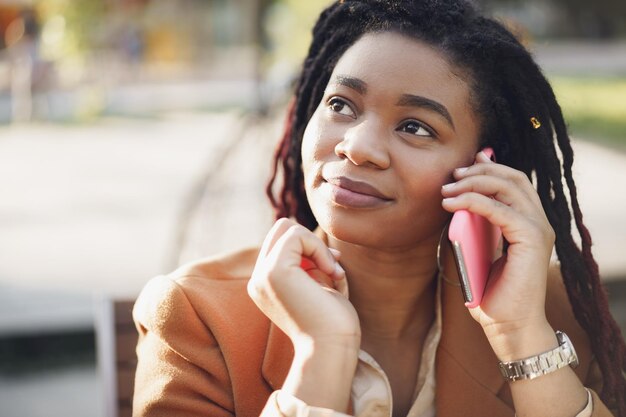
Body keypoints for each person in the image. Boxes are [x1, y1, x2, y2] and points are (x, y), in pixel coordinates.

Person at [131, 1, 626, 416]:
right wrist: (321, 356)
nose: (357, 146)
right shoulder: (196, 318)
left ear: (484, 169)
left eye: (415, 127)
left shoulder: (551, 310)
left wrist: (521, 336)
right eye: (341, 105)